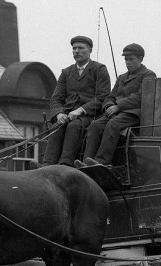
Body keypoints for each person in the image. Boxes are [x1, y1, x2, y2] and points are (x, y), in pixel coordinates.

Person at [76, 43, 156, 167]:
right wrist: (108, 106)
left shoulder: (148, 75)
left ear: (140, 59)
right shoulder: (121, 77)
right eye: (126, 59)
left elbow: (141, 97)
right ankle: (87, 161)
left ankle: (101, 162)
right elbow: (110, 96)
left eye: (131, 59)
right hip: (115, 112)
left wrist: (118, 106)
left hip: (132, 113)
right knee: (95, 125)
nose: (128, 62)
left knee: (113, 125)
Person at [42, 35, 111, 167]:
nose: (77, 51)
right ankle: (47, 166)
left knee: (74, 126)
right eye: (74, 48)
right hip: (68, 115)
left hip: (90, 116)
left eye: (81, 48)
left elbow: (103, 97)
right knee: (57, 125)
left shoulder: (99, 69)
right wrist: (58, 114)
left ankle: (65, 164)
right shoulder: (66, 72)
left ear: (90, 50)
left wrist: (80, 110)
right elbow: (56, 98)